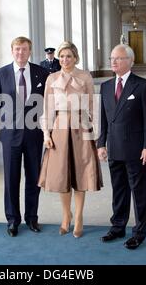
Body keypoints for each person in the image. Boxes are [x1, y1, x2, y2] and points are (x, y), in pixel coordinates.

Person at [38, 41, 103, 238]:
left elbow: (92, 105)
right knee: (61, 175)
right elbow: (47, 108)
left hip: (82, 125)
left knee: (81, 173)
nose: (65, 60)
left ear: (75, 57)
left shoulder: (85, 76)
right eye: (62, 56)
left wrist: (97, 134)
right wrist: (46, 134)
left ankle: (80, 217)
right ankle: (66, 216)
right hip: (59, 126)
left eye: (69, 56)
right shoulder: (52, 78)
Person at [97, 44, 146, 250]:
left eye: (119, 58)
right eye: (112, 58)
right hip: (113, 148)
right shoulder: (105, 86)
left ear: (130, 61)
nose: (113, 61)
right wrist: (100, 144)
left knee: (139, 192)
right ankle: (118, 226)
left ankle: (139, 232)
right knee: (119, 191)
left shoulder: (142, 86)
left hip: (135, 149)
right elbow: (103, 118)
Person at [0, 36, 49, 237]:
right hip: (10, 135)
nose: (20, 53)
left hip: (34, 134)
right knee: (11, 178)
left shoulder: (42, 73)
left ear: (30, 51)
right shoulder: (1, 73)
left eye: (24, 49)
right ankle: (13, 220)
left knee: (33, 177)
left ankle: (32, 218)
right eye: (17, 49)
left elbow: (45, 102)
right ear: (12, 51)